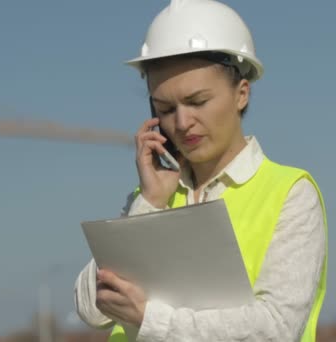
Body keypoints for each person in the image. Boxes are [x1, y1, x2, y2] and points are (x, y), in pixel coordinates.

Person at [74, 0, 328, 341]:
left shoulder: (290, 193)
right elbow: (91, 308)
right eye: (165, 108)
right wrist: (149, 203)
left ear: (241, 94)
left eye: (197, 102)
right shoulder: (151, 197)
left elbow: (276, 328)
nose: (182, 122)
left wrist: (151, 320)